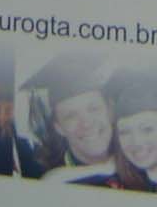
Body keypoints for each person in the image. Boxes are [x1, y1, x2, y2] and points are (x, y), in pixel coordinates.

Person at [17, 51, 118, 182]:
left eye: (94, 109)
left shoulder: (138, 160)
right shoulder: (45, 179)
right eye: (71, 116)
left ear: (110, 112)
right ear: (59, 128)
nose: (86, 123)